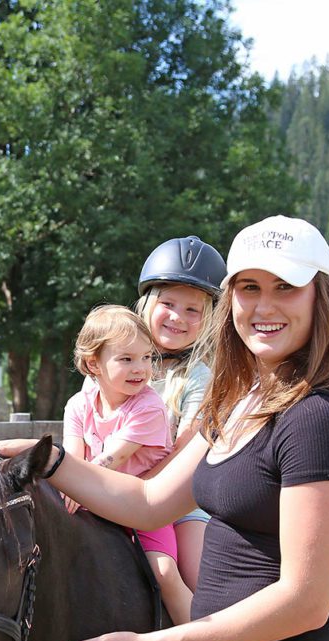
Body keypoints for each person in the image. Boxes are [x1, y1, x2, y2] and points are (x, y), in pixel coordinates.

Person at [0, 215, 329, 641]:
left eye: (285, 287)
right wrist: (48, 461)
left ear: (323, 299)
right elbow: (148, 500)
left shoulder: (319, 419)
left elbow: (304, 602)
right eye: (249, 288)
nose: (263, 306)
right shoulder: (240, 401)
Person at [62, 304, 195, 633]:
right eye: (126, 359)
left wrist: (79, 484)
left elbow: (110, 459)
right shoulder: (78, 405)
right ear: (94, 363)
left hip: (144, 504)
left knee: (163, 573)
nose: (141, 369)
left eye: (147, 358)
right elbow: (72, 457)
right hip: (100, 499)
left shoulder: (149, 407)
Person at [134, 235, 226, 595]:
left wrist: (122, 491)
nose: (177, 317)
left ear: (209, 320)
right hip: (106, 487)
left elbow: (181, 456)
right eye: (168, 303)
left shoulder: (200, 378)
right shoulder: (115, 363)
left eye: (193, 310)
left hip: (175, 501)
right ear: (148, 304)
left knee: (197, 574)